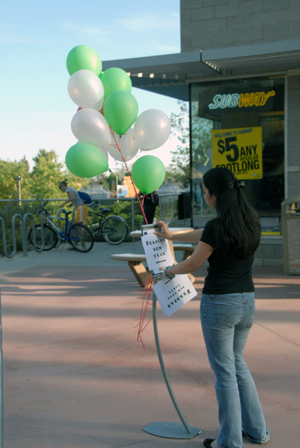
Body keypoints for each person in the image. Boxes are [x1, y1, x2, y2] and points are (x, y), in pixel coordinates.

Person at [155, 167, 269, 448]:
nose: (204, 196)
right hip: (247, 302)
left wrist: (169, 271)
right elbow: (204, 235)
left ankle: (229, 442)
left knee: (224, 373)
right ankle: (257, 431)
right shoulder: (250, 221)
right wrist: (171, 236)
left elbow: (194, 263)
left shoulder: (218, 227)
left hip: (220, 303)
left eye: (205, 192)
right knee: (238, 365)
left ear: (215, 195)